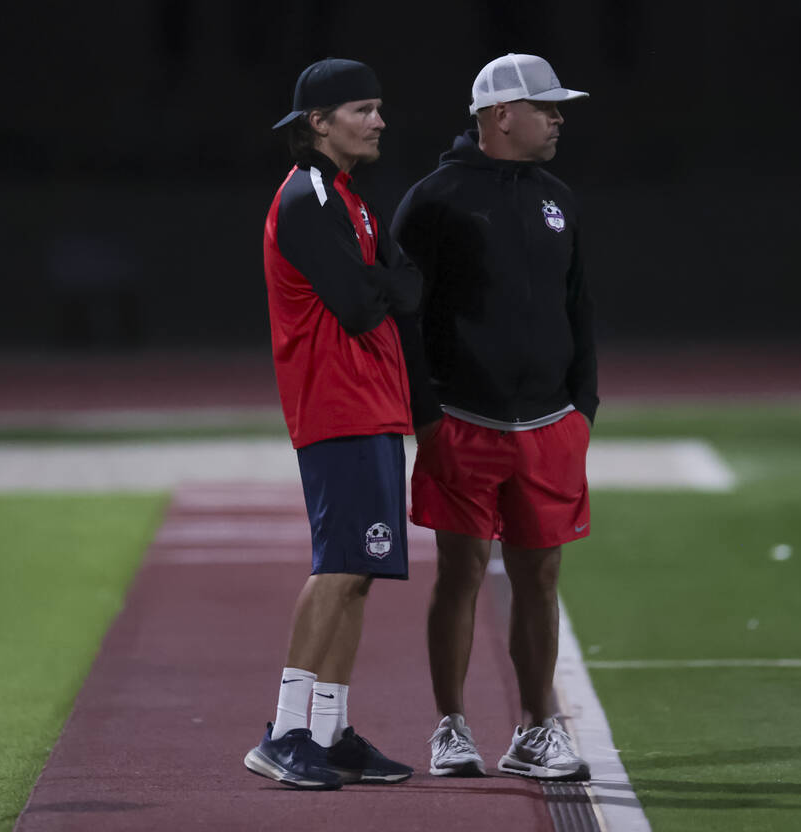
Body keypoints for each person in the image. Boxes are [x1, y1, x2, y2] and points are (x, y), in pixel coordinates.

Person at [392, 53, 598, 781]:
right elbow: (405, 319)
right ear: (500, 115)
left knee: (540, 581)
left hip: (549, 424)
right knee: (461, 572)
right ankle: (450, 727)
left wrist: (584, 407)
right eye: (546, 107)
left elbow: (579, 309)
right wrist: (424, 413)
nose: (558, 117)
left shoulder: (558, 198)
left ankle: (536, 729)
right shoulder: (434, 200)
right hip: (464, 418)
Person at [243, 57, 421, 790]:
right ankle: (284, 731)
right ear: (318, 122)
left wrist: (388, 283)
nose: (379, 121)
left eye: (378, 107)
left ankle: (329, 728)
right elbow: (362, 300)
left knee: (361, 573)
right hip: (336, 403)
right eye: (363, 109)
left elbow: (399, 287)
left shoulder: (349, 197)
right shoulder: (309, 193)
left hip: (371, 402)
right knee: (340, 564)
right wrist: (389, 282)